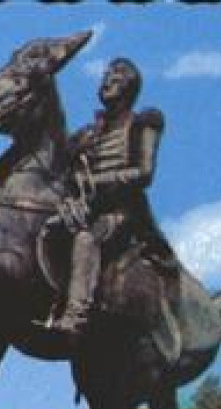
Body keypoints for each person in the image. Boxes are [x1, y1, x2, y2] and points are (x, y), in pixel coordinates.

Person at [51, 58, 166, 337]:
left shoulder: (144, 121)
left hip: (122, 211)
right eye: (105, 76)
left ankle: (76, 315)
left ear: (129, 87)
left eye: (114, 78)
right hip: (85, 207)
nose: (106, 82)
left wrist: (98, 181)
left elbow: (144, 173)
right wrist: (68, 197)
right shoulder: (87, 133)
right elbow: (63, 171)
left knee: (86, 240)